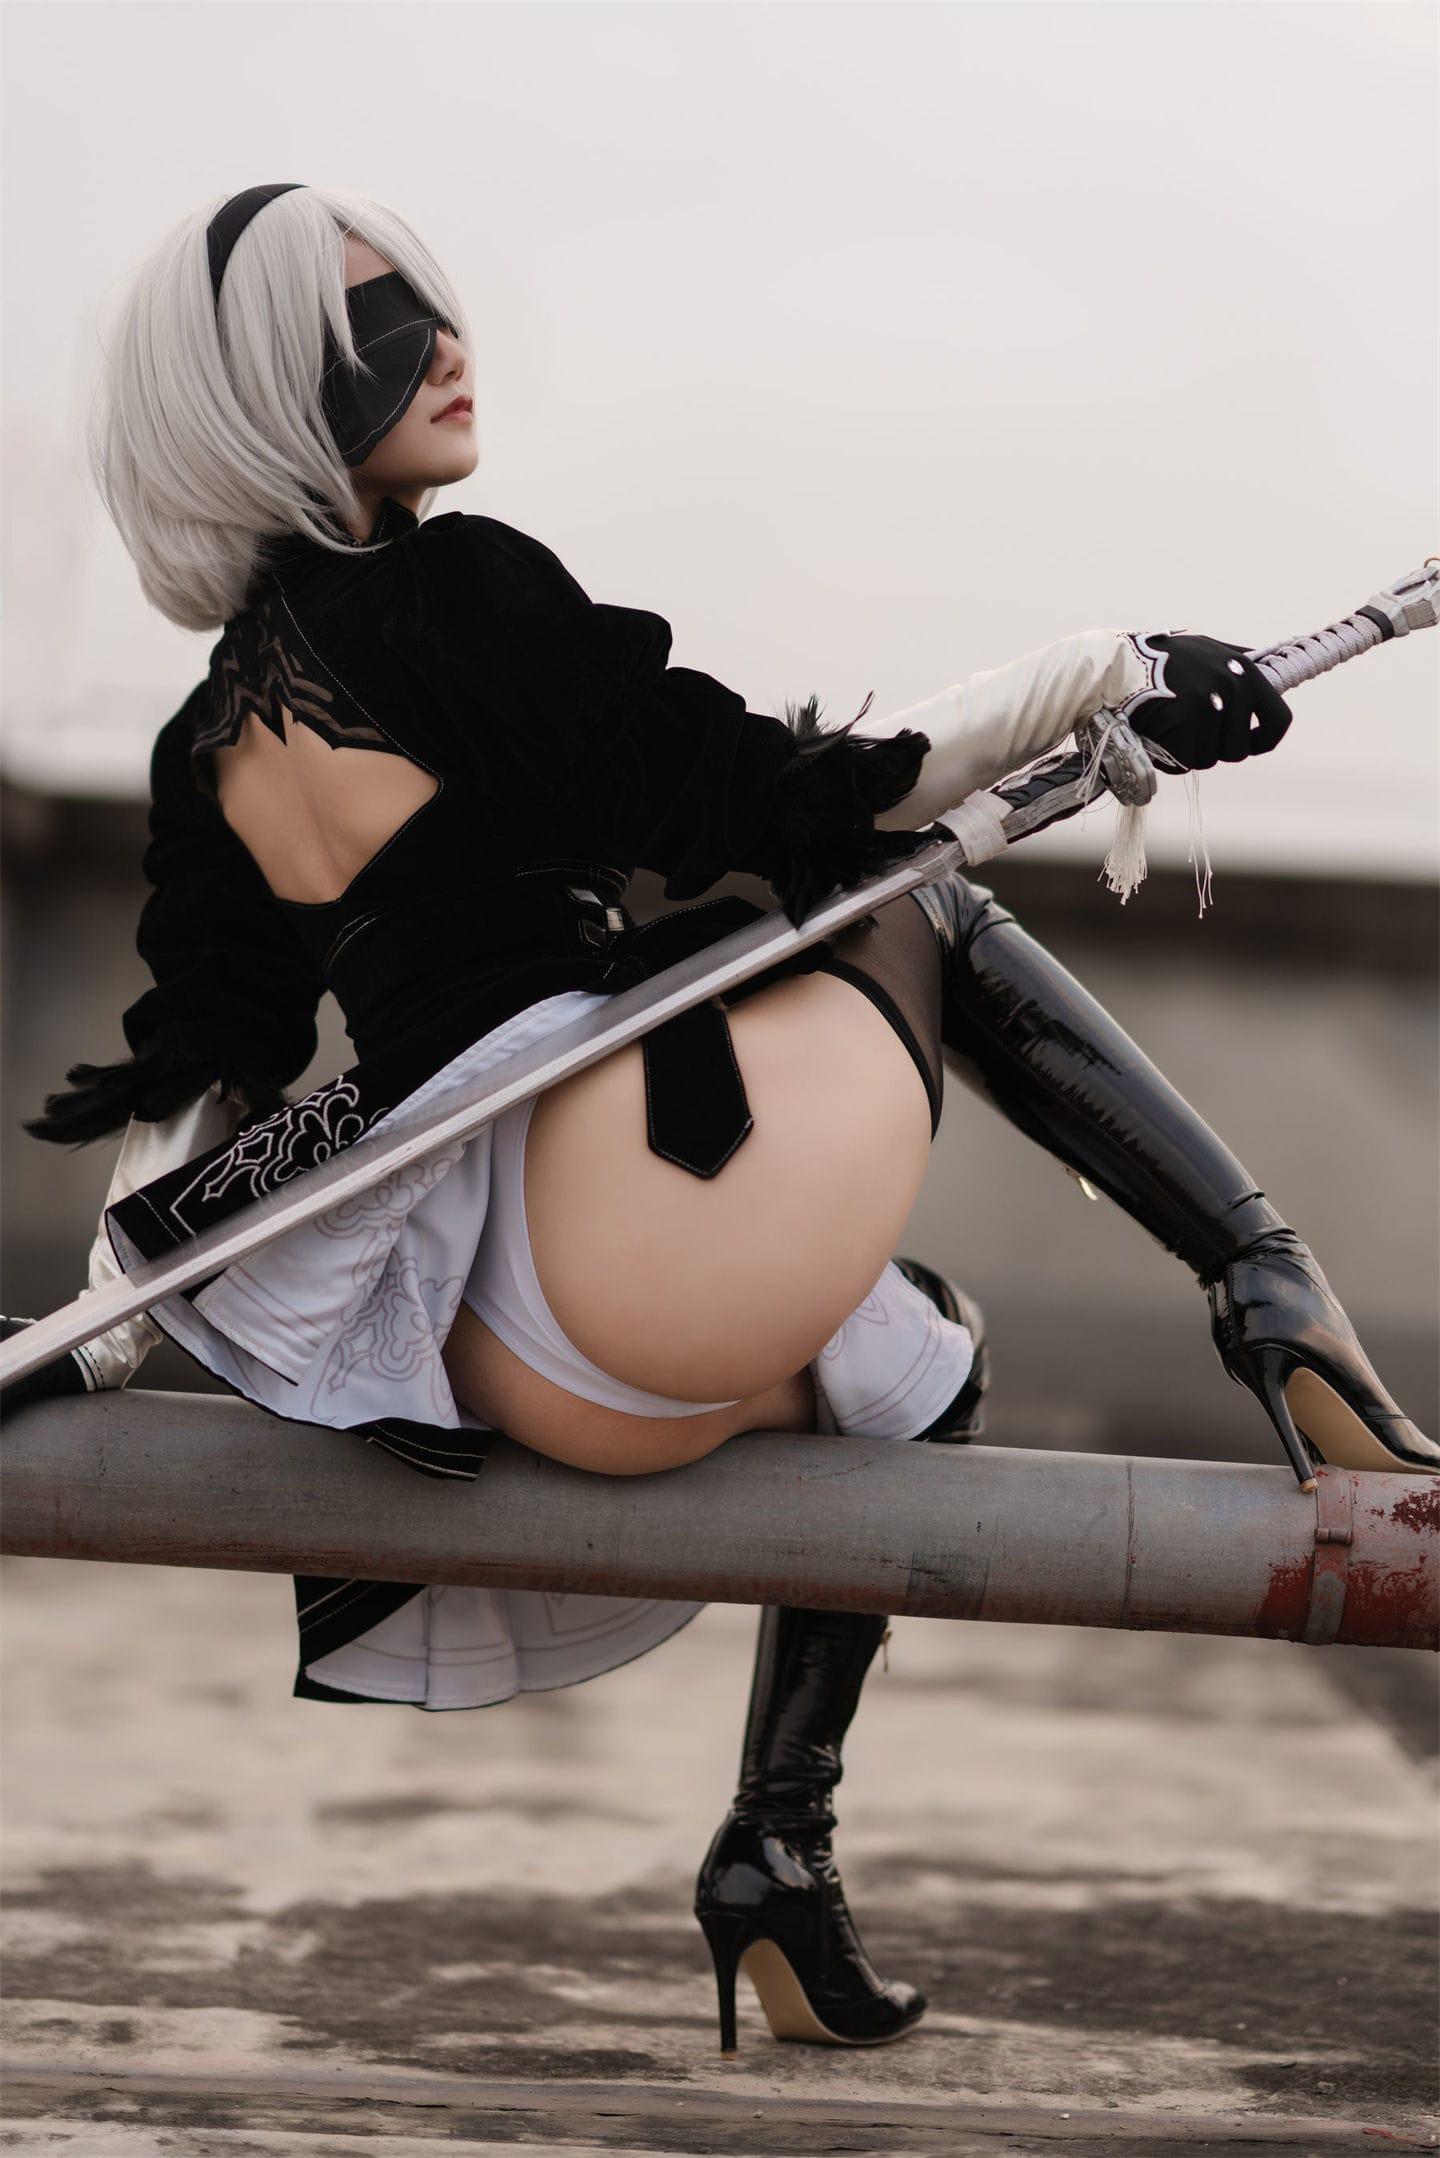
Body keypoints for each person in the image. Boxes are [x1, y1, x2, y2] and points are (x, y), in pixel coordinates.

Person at [6, 185, 1434, 2060]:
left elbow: (201, 1080)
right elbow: (812, 795)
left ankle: (778, 1847)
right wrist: (1117, 671)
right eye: (376, 327)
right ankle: (1270, 1290)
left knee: (916, 1361)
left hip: (505, 1349)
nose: (447, 343)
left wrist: (84, 1337)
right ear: (265, 391)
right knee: (919, 897)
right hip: (624, 1237)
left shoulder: (205, 747)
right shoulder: (456, 591)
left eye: (434, 303)